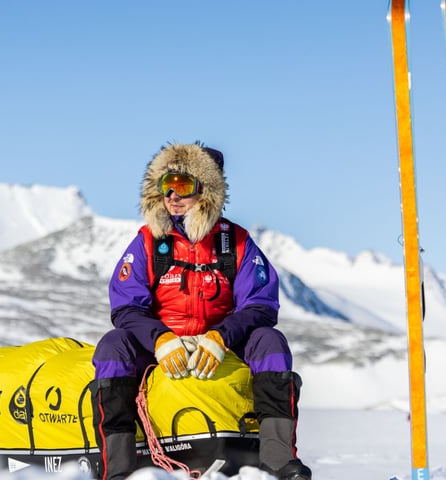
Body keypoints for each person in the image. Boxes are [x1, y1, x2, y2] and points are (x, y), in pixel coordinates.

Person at [91, 142, 311, 480]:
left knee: (271, 342)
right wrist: (160, 339)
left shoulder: (235, 242)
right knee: (112, 347)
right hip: (160, 346)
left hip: (223, 341)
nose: (172, 196)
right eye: (166, 185)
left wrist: (220, 337)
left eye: (182, 185)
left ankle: (278, 460)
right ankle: (118, 470)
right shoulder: (149, 242)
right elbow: (126, 305)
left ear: (207, 191)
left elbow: (261, 304)